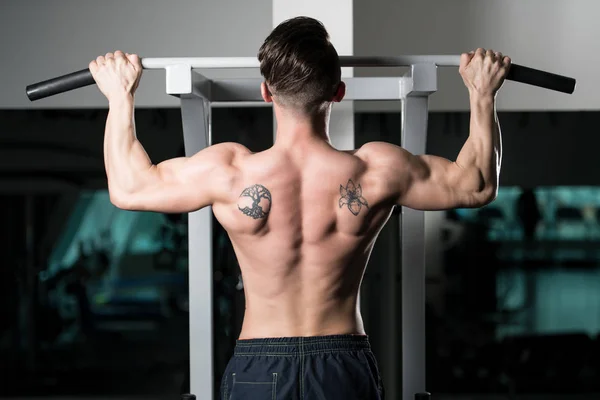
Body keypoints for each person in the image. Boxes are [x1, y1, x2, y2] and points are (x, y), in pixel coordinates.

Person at [89, 16, 510, 400]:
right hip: (342, 364)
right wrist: (482, 93)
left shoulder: (230, 171)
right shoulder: (376, 170)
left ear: (266, 92)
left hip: (259, 364)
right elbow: (476, 185)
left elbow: (128, 189)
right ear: (338, 92)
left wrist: (119, 95)